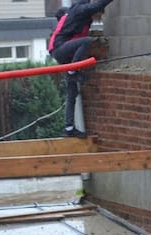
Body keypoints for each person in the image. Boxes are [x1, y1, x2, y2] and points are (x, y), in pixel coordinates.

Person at [48, 0, 116, 138]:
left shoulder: (75, 13)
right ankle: (73, 70)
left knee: (72, 91)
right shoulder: (82, 10)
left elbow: (60, 13)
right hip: (60, 49)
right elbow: (98, 5)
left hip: (66, 52)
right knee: (87, 41)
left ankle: (69, 128)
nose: (99, 18)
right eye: (99, 16)